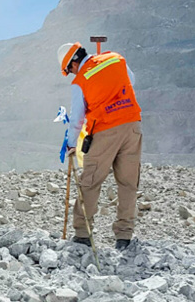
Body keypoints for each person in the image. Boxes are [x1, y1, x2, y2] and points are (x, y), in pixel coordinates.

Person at [57, 42, 143, 251]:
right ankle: (124, 237)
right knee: (128, 183)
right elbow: (130, 81)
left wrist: (70, 143)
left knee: (91, 181)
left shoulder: (80, 81)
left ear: (73, 63)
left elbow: (77, 119)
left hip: (105, 130)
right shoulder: (116, 58)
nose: (71, 74)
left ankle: (82, 234)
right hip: (132, 125)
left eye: (69, 70)